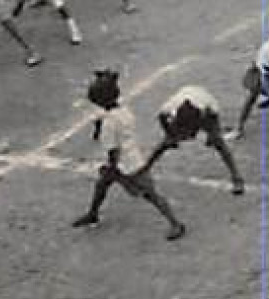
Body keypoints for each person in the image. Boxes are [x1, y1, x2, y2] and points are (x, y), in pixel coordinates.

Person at [72, 69, 187, 240]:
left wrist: (111, 168)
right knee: (102, 184)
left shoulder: (110, 123)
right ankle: (93, 213)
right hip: (131, 161)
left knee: (151, 195)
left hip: (127, 167)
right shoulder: (122, 111)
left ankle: (176, 223)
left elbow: (113, 151)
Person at [138, 86, 246, 196]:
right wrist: (169, 134)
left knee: (218, 143)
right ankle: (144, 171)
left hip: (205, 101)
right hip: (188, 96)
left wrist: (212, 135)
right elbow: (161, 117)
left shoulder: (208, 111)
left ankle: (237, 177)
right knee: (165, 143)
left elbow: (215, 119)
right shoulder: (168, 109)